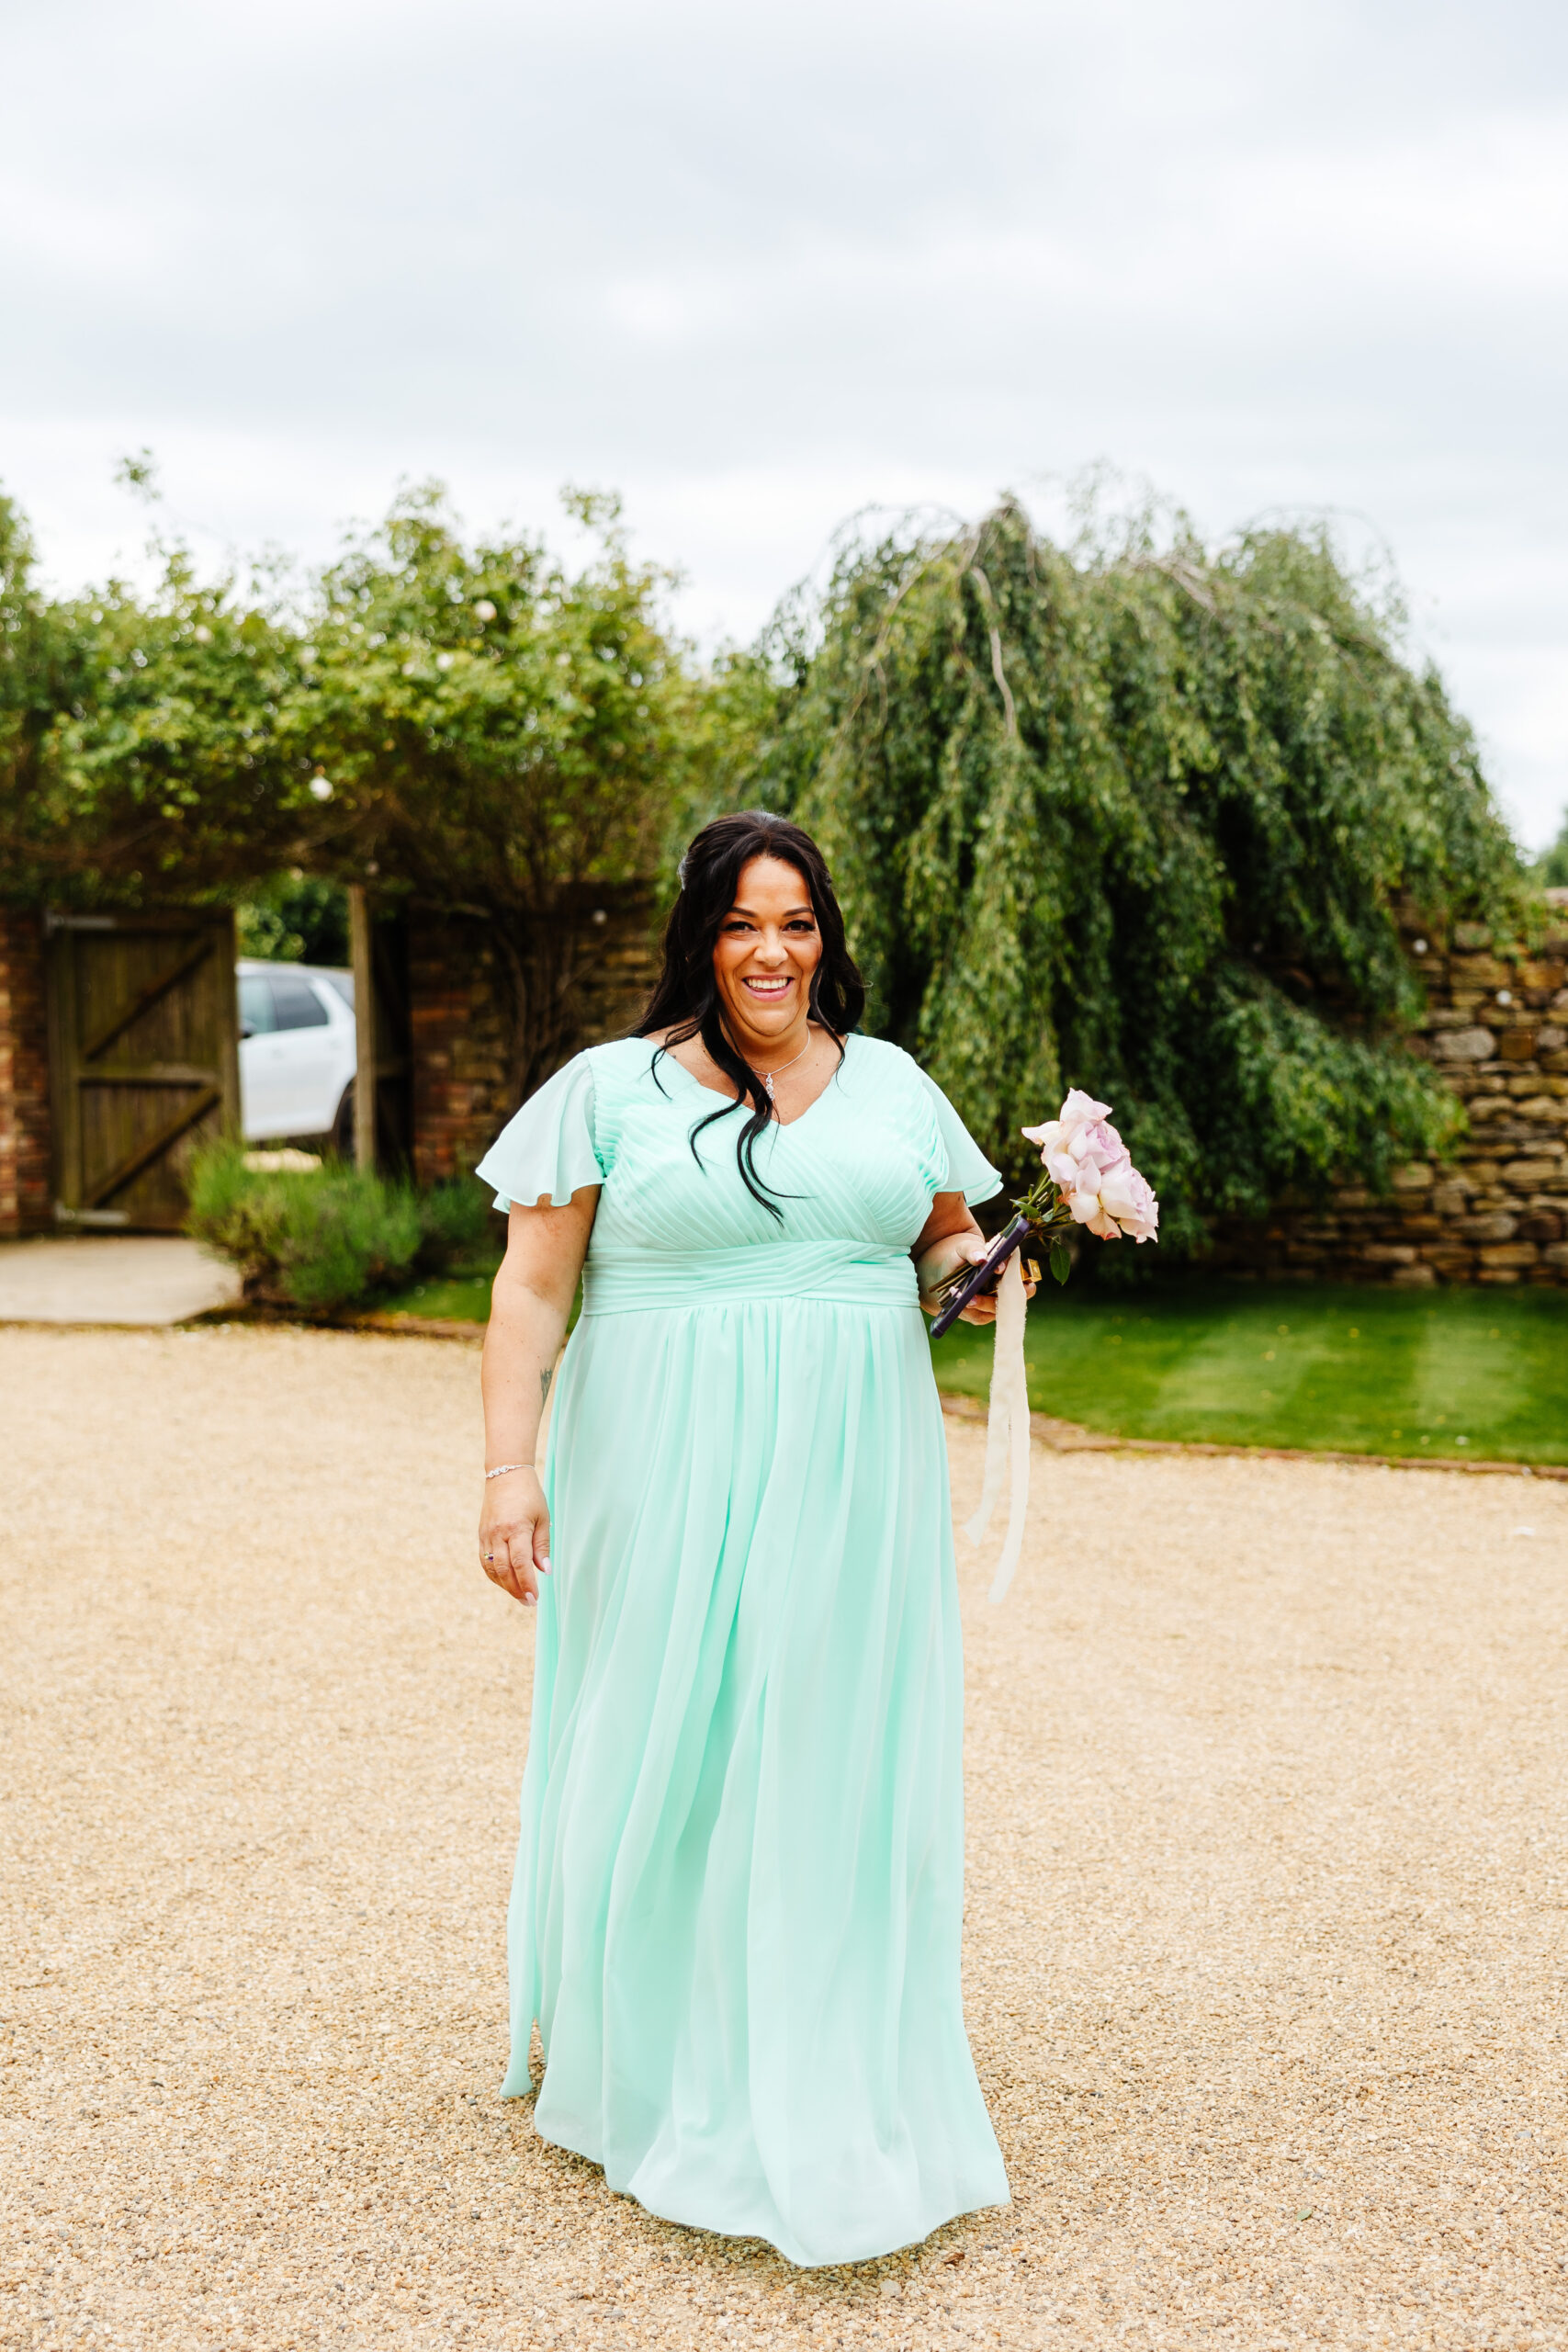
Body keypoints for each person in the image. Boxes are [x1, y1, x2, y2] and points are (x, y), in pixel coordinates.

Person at [474, 811, 1019, 2267]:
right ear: (699, 939)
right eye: (740, 924)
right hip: (660, 1456)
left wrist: (1005, 1259)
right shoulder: (607, 1089)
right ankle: (650, 2049)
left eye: (795, 923)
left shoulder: (895, 1083)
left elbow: (943, 1249)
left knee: (827, 1739)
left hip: (854, 1466)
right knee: (672, 1732)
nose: (771, 953)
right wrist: (508, 1472)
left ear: (823, 937)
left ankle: (819, 2041)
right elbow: (532, 1292)